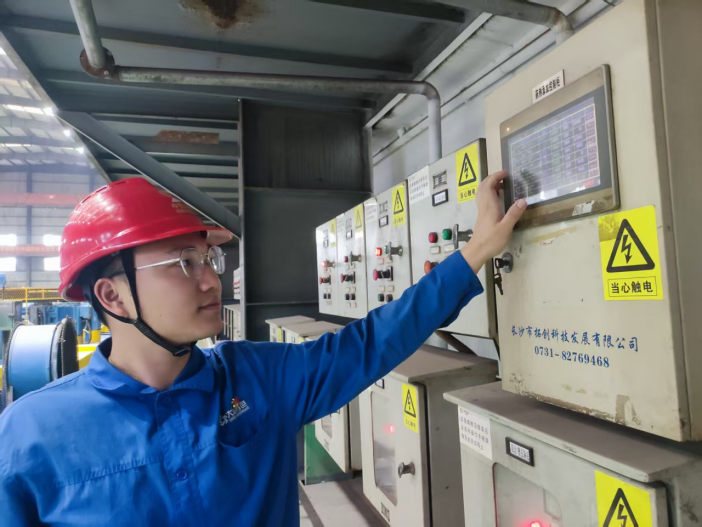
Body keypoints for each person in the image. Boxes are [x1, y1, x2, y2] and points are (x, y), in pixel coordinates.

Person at [0, 173, 526, 526]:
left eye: (209, 261)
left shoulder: (256, 376)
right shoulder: (30, 437)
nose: (212, 280)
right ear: (112, 295)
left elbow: (372, 343)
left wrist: (475, 252)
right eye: (184, 262)